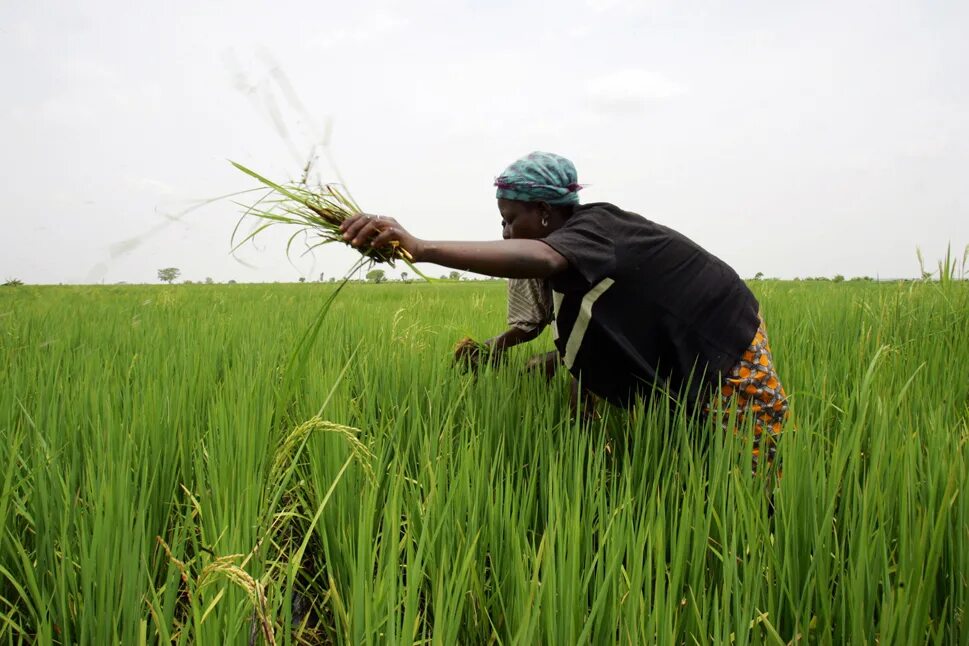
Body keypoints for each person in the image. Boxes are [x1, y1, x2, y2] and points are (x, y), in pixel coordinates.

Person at [341, 152, 789, 471]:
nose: (505, 233)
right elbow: (572, 332)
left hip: (725, 339)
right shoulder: (569, 257)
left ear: (543, 211)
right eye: (501, 221)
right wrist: (504, 351)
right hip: (673, 350)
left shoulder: (594, 228)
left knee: (749, 469)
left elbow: (542, 261)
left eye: (511, 218)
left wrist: (421, 248)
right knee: (681, 447)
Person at [452, 277, 554, 370]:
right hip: (543, 265)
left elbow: (529, 324)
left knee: (528, 325)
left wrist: (556, 358)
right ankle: (483, 351)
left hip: (521, 265)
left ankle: (482, 350)